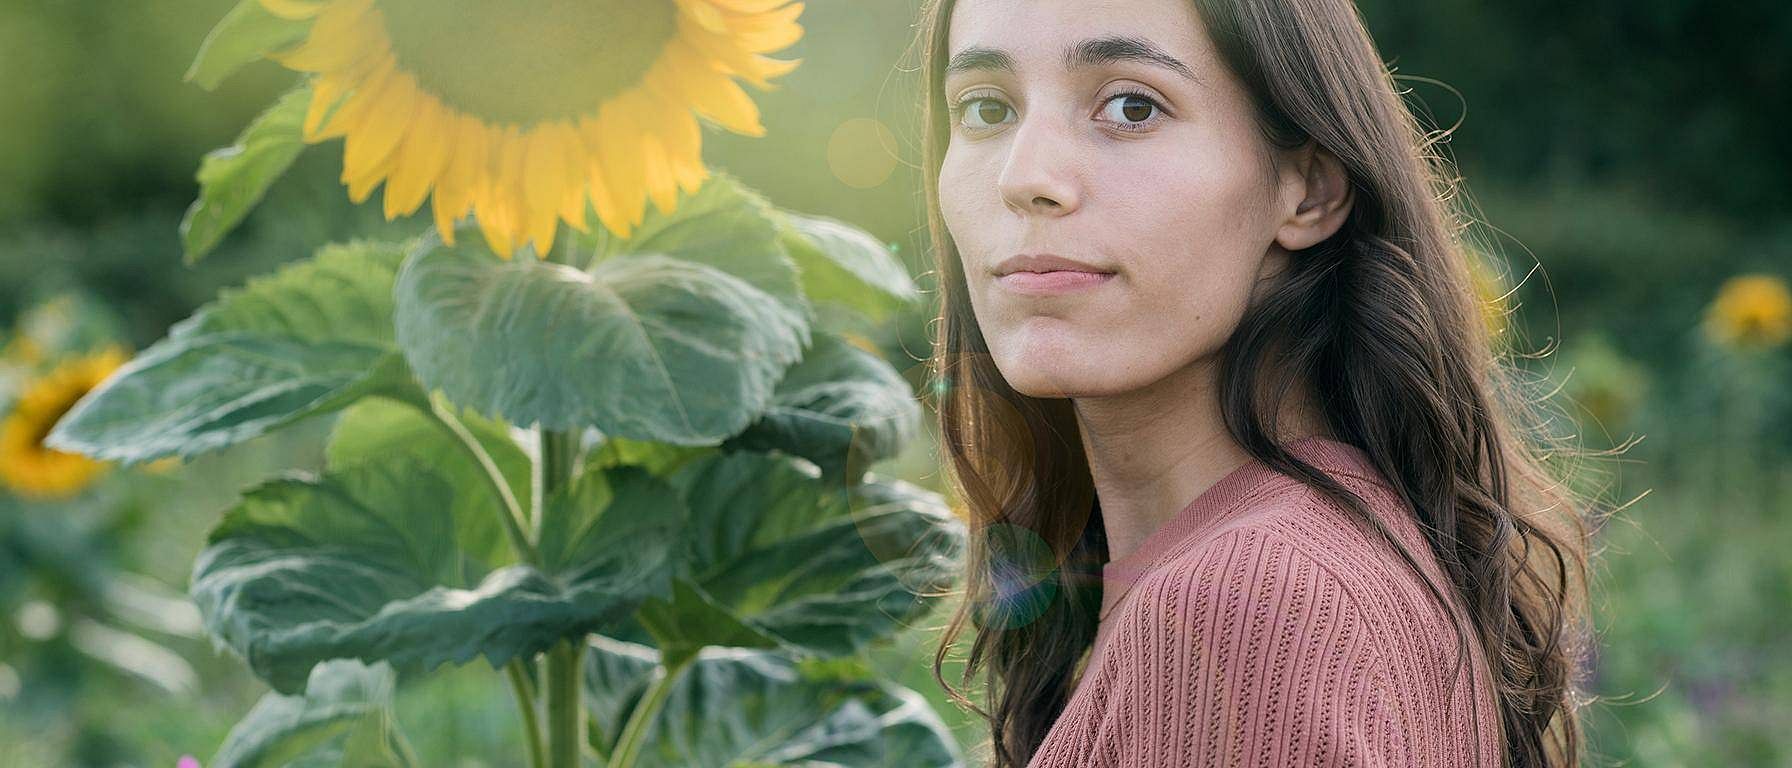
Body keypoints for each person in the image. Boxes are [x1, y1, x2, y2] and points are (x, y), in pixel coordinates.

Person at [915, 0, 1600, 765]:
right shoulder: (1308, 562)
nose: (1024, 178)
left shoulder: (1250, 607)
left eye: (1131, 106)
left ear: (1307, 189)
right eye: (985, 109)